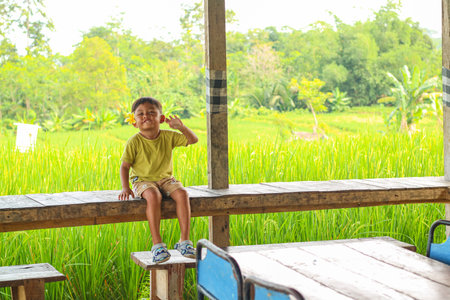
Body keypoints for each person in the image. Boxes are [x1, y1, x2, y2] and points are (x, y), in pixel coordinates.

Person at [118, 97, 198, 263]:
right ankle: (158, 245)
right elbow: (125, 166)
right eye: (140, 114)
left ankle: (184, 241)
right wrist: (126, 188)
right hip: (143, 180)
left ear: (161, 119)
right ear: (134, 122)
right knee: (154, 196)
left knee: (182, 193)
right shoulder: (134, 142)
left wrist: (181, 127)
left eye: (151, 112)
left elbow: (193, 140)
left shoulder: (168, 136)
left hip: (166, 179)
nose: (145, 116)